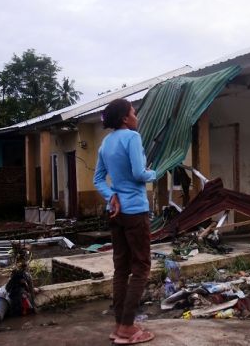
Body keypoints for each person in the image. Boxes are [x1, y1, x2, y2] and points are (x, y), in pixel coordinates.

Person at [94, 98, 156, 345]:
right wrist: (157, 171)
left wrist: (112, 196)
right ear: (124, 118)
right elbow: (141, 174)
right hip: (136, 212)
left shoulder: (105, 143)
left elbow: (98, 179)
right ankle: (128, 328)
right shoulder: (132, 138)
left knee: (121, 269)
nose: (136, 117)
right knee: (141, 268)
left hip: (116, 213)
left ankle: (119, 324)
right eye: (134, 112)